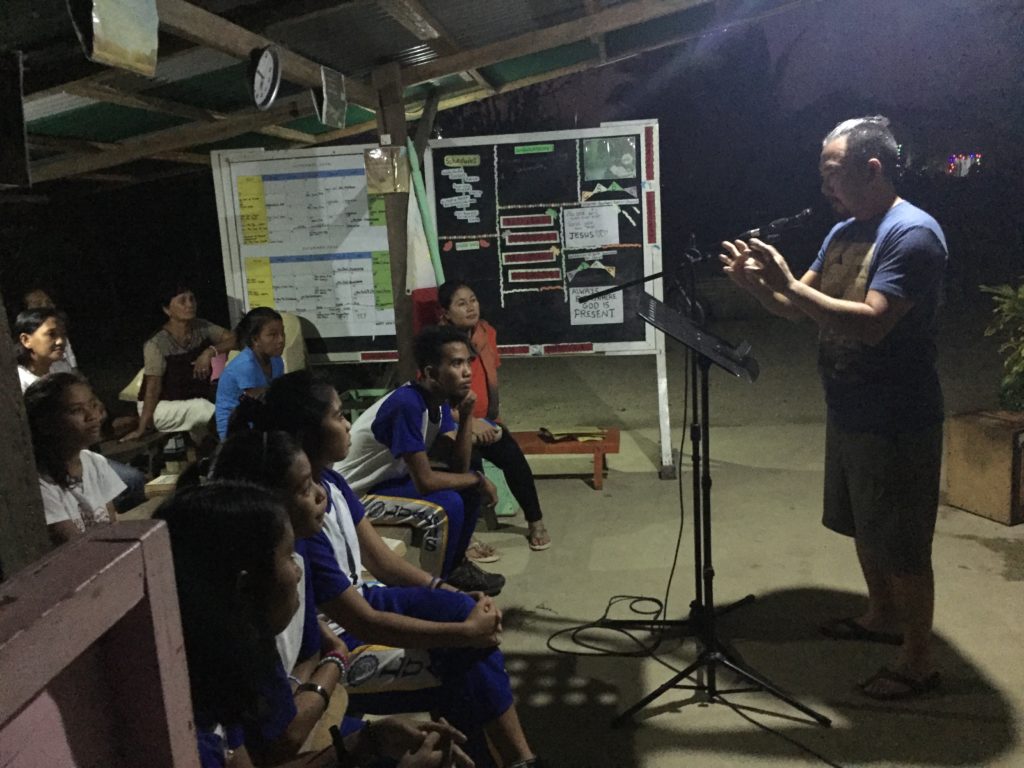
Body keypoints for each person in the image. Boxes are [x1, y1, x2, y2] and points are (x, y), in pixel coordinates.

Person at [719, 116, 946, 701]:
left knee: (903, 541)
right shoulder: (845, 230)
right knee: (863, 525)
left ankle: (918, 661)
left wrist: (788, 284)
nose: (825, 187)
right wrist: (758, 288)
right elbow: (802, 308)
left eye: (832, 173)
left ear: (872, 169)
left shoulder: (912, 235)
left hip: (898, 417)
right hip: (847, 408)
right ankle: (880, 616)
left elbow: (872, 324)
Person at [229, 372, 542, 768]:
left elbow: (380, 560)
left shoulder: (332, 483)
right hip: (350, 634)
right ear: (306, 433)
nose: (348, 424)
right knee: (466, 658)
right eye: (339, 416)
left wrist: (448, 591)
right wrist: (463, 633)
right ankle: (516, 759)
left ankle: (515, 759)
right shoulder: (298, 531)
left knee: (464, 620)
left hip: (360, 605)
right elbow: (363, 623)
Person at [156, 482, 474, 768]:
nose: (297, 571)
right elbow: (286, 738)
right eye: (288, 556)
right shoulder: (189, 742)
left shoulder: (212, 675)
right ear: (245, 587)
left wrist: (366, 741)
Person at [336, 326, 505, 594]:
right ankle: (431, 592)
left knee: (467, 489)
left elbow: (459, 467)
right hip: (353, 495)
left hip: (386, 482)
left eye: (467, 362)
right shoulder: (408, 404)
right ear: (430, 373)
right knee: (444, 507)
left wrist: (467, 417)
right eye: (455, 363)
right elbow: (425, 481)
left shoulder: (436, 401)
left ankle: (454, 570)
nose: (467, 372)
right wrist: (478, 479)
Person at [438, 280, 551, 551]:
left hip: (486, 422)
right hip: (453, 424)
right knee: (467, 467)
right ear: (445, 313)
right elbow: (435, 400)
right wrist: (468, 422)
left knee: (514, 458)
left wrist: (493, 417)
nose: (470, 307)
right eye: (461, 303)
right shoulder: (439, 344)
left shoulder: (486, 333)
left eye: (473, 300)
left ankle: (535, 521)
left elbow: (491, 377)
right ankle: (466, 538)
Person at [121, 284, 235, 445]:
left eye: (192, 299)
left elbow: (236, 338)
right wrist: (142, 427)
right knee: (209, 411)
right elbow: (153, 389)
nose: (190, 304)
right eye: (183, 301)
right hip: (160, 408)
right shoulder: (157, 343)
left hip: (187, 400)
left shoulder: (201, 327)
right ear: (167, 310)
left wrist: (210, 351)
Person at [24, 372, 124, 545]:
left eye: (93, 405)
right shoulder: (41, 484)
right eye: (76, 410)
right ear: (46, 424)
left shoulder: (95, 462)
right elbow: (75, 546)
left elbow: (111, 525)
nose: (92, 416)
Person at [214, 307, 286, 438]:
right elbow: (259, 402)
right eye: (273, 335)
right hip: (236, 430)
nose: (281, 340)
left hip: (260, 422)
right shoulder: (246, 365)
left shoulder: (277, 361)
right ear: (255, 340)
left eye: (282, 333)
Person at [23, 289, 77, 373]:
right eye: (37, 303)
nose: (44, 305)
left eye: (47, 302)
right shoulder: (26, 329)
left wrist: (74, 368)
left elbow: (68, 351)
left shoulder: (57, 322)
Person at [14, 308, 68, 391]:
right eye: (51, 334)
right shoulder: (18, 382)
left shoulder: (62, 369)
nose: (60, 341)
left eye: (63, 334)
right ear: (26, 340)